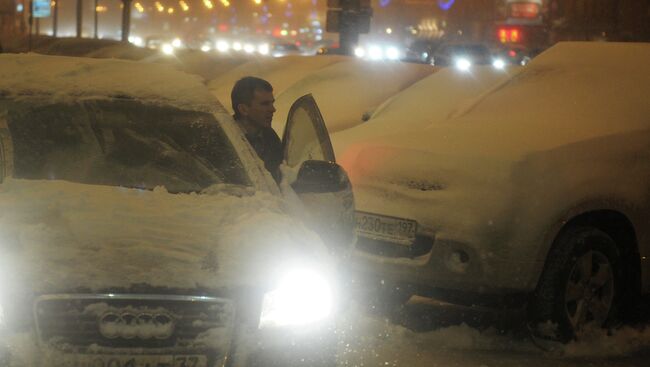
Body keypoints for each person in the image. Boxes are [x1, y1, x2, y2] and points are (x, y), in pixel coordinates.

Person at [231, 76, 283, 182]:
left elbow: (282, 176)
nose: (273, 109)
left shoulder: (270, 137)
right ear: (243, 109)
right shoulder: (225, 140)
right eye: (265, 104)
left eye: (272, 103)